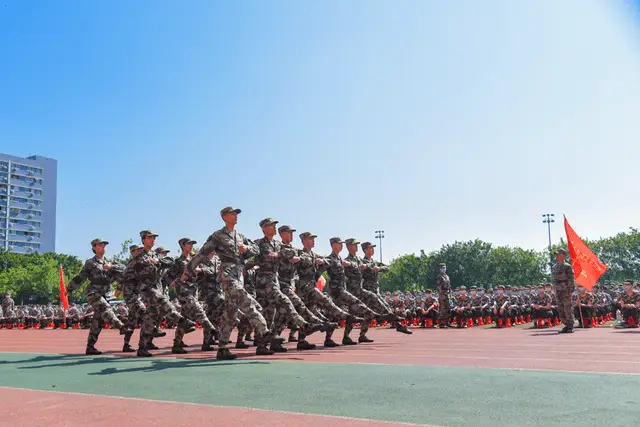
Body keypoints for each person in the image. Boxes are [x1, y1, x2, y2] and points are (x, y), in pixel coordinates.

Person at [179, 206, 274, 360]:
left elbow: (256, 250)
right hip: (227, 273)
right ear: (224, 217)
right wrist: (187, 270)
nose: (236, 216)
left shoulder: (241, 236)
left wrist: (247, 249)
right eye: (232, 214)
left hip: (239, 273)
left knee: (231, 314)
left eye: (236, 214)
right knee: (245, 298)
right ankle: (264, 331)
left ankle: (222, 348)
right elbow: (202, 254)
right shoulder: (217, 236)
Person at [67, 238, 130, 355]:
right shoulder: (90, 263)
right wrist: (70, 288)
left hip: (107, 293)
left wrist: (111, 267)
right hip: (94, 292)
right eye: (100, 245)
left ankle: (90, 346)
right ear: (94, 248)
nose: (103, 247)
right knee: (105, 307)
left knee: (98, 320)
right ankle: (120, 326)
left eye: (104, 245)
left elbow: (124, 271)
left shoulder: (111, 261)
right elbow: (81, 277)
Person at [552, 249, 575, 333]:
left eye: (559, 254)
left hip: (565, 290)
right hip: (558, 290)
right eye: (557, 254)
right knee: (560, 308)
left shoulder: (567, 266)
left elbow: (571, 279)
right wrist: (554, 290)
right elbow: (554, 280)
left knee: (567, 308)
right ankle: (565, 324)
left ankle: (570, 326)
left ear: (564, 256)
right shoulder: (555, 267)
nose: (557, 256)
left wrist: (570, 291)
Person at [436, 263, 451, 328]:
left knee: (448, 308)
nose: (443, 269)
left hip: (447, 294)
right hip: (442, 294)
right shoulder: (439, 277)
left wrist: (450, 293)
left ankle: (447, 322)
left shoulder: (447, 276)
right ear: (440, 269)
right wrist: (441, 294)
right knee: (442, 309)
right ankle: (441, 323)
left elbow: (449, 286)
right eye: (441, 268)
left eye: (444, 268)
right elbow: (439, 287)